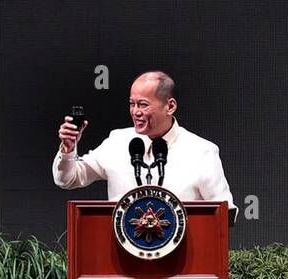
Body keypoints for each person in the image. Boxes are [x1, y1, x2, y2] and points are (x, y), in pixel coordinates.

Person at [52, 71, 235, 213]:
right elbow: (68, 179)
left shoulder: (201, 152)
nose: (135, 112)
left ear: (170, 106)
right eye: (132, 104)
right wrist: (68, 149)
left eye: (143, 104)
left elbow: (224, 212)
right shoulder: (117, 142)